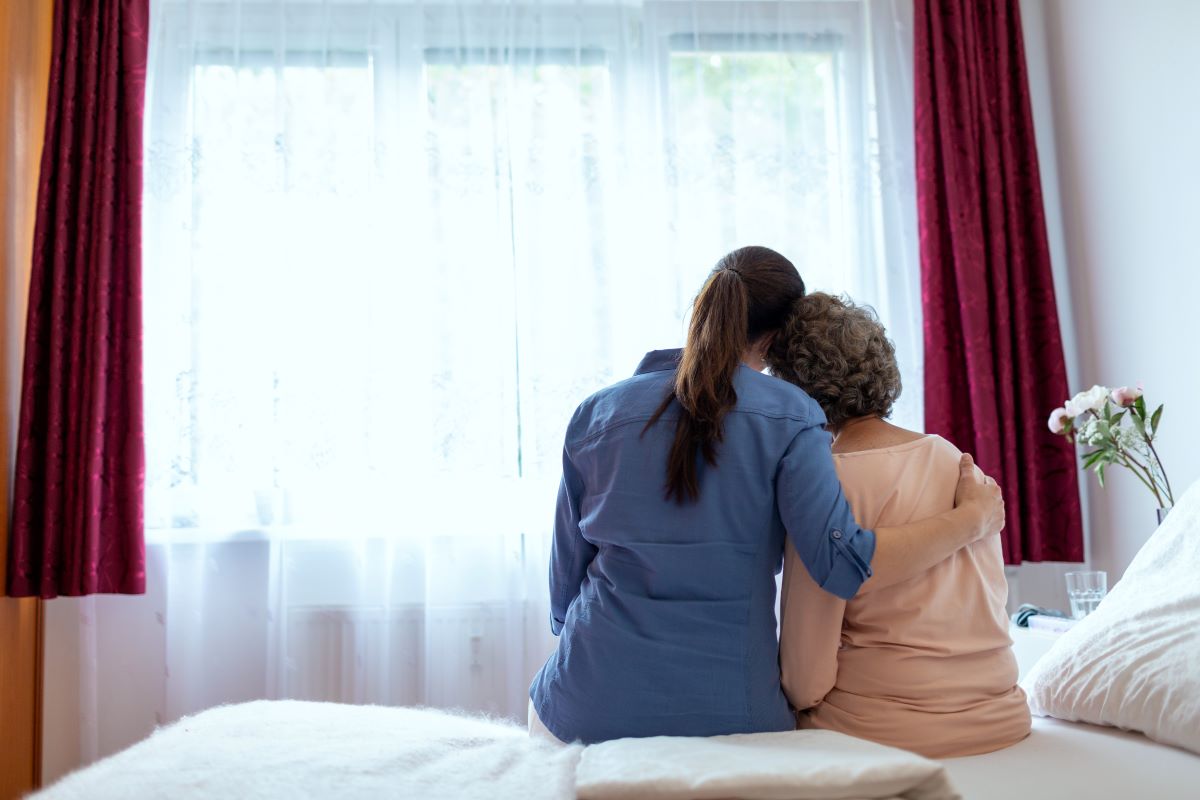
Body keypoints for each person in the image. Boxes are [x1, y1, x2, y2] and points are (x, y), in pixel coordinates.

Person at [528, 247, 1005, 744]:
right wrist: (971, 519)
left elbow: (564, 590)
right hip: (732, 719)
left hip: (579, 708)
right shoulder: (794, 416)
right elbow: (842, 564)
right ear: (777, 340)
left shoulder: (596, 413)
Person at [769, 292, 1031, 758]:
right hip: (1001, 716)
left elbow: (805, 680)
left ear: (794, 389)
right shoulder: (957, 460)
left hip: (886, 729)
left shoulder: (823, 485)